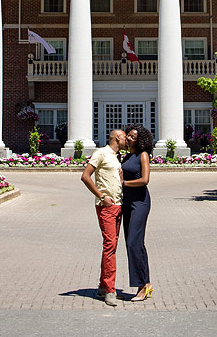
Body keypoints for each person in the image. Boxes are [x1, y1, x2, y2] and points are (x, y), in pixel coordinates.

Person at [81, 128, 126, 306]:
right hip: (106, 207)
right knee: (110, 247)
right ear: (116, 138)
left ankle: (102, 285)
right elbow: (85, 176)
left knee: (111, 246)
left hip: (118, 206)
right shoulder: (101, 153)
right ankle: (110, 290)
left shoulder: (117, 156)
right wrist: (101, 196)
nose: (126, 140)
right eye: (124, 137)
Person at [122, 123, 153, 301]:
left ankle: (142, 286)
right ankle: (146, 284)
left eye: (133, 137)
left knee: (134, 242)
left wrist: (124, 184)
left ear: (140, 140)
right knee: (133, 243)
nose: (129, 138)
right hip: (127, 202)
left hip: (140, 203)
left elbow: (145, 179)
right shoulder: (126, 156)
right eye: (128, 135)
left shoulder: (143, 155)